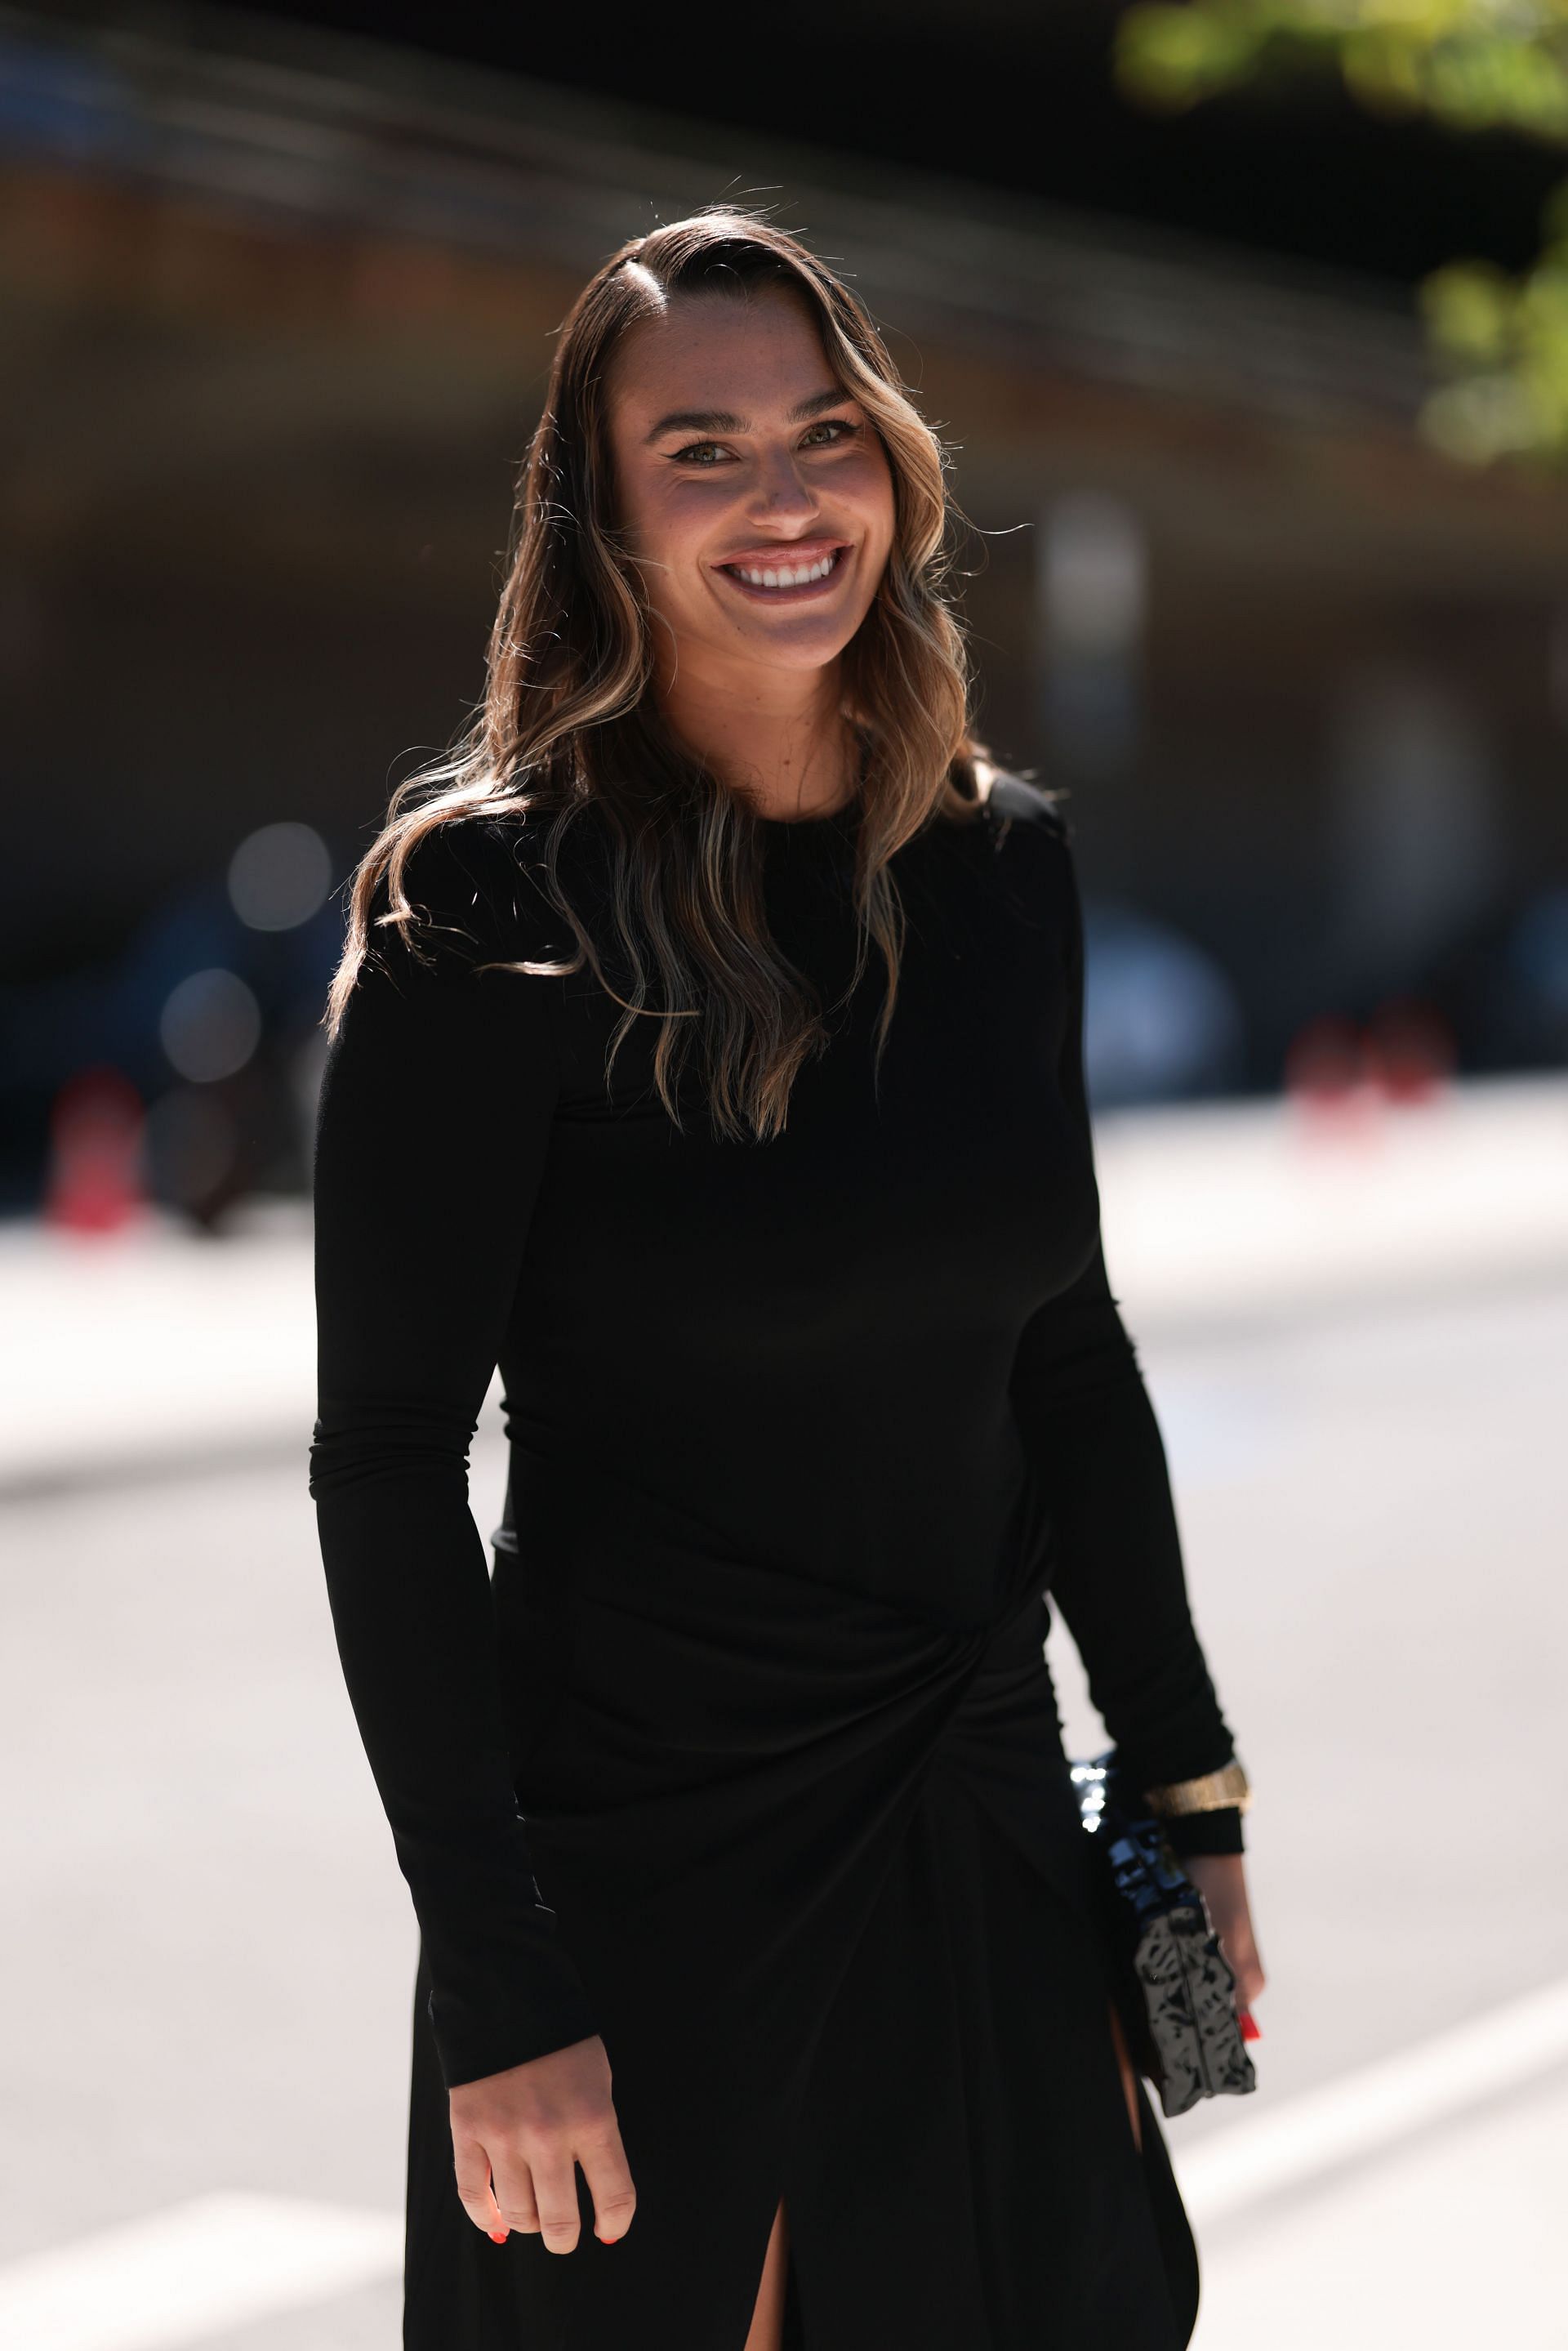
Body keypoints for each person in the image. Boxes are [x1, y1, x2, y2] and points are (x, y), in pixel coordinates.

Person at [308, 204, 1264, 2351]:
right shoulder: (487, 911)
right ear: (601, 513)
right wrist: (497, 1973)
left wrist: (1183, 1791)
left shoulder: (1002, 871)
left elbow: (1069, 1357)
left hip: (984, 1820)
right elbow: (382, 1467)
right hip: (644, 1880)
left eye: (823, 430)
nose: (783, 497)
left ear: (896, 467)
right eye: (703, 450)